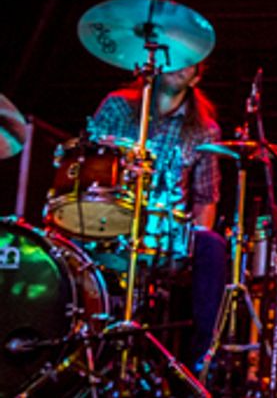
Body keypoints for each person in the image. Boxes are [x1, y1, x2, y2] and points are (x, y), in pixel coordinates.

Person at [88, 62, 228, 367]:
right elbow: (87, 166)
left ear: (198, 76)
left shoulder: (205, 130)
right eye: (177, 59)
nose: (183, 67)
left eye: (191, 63)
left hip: (164, 234)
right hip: (109, 225)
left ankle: (202, 362)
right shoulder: (117, 107)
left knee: (213, 246)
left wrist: (192, 244)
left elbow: (205, 198)